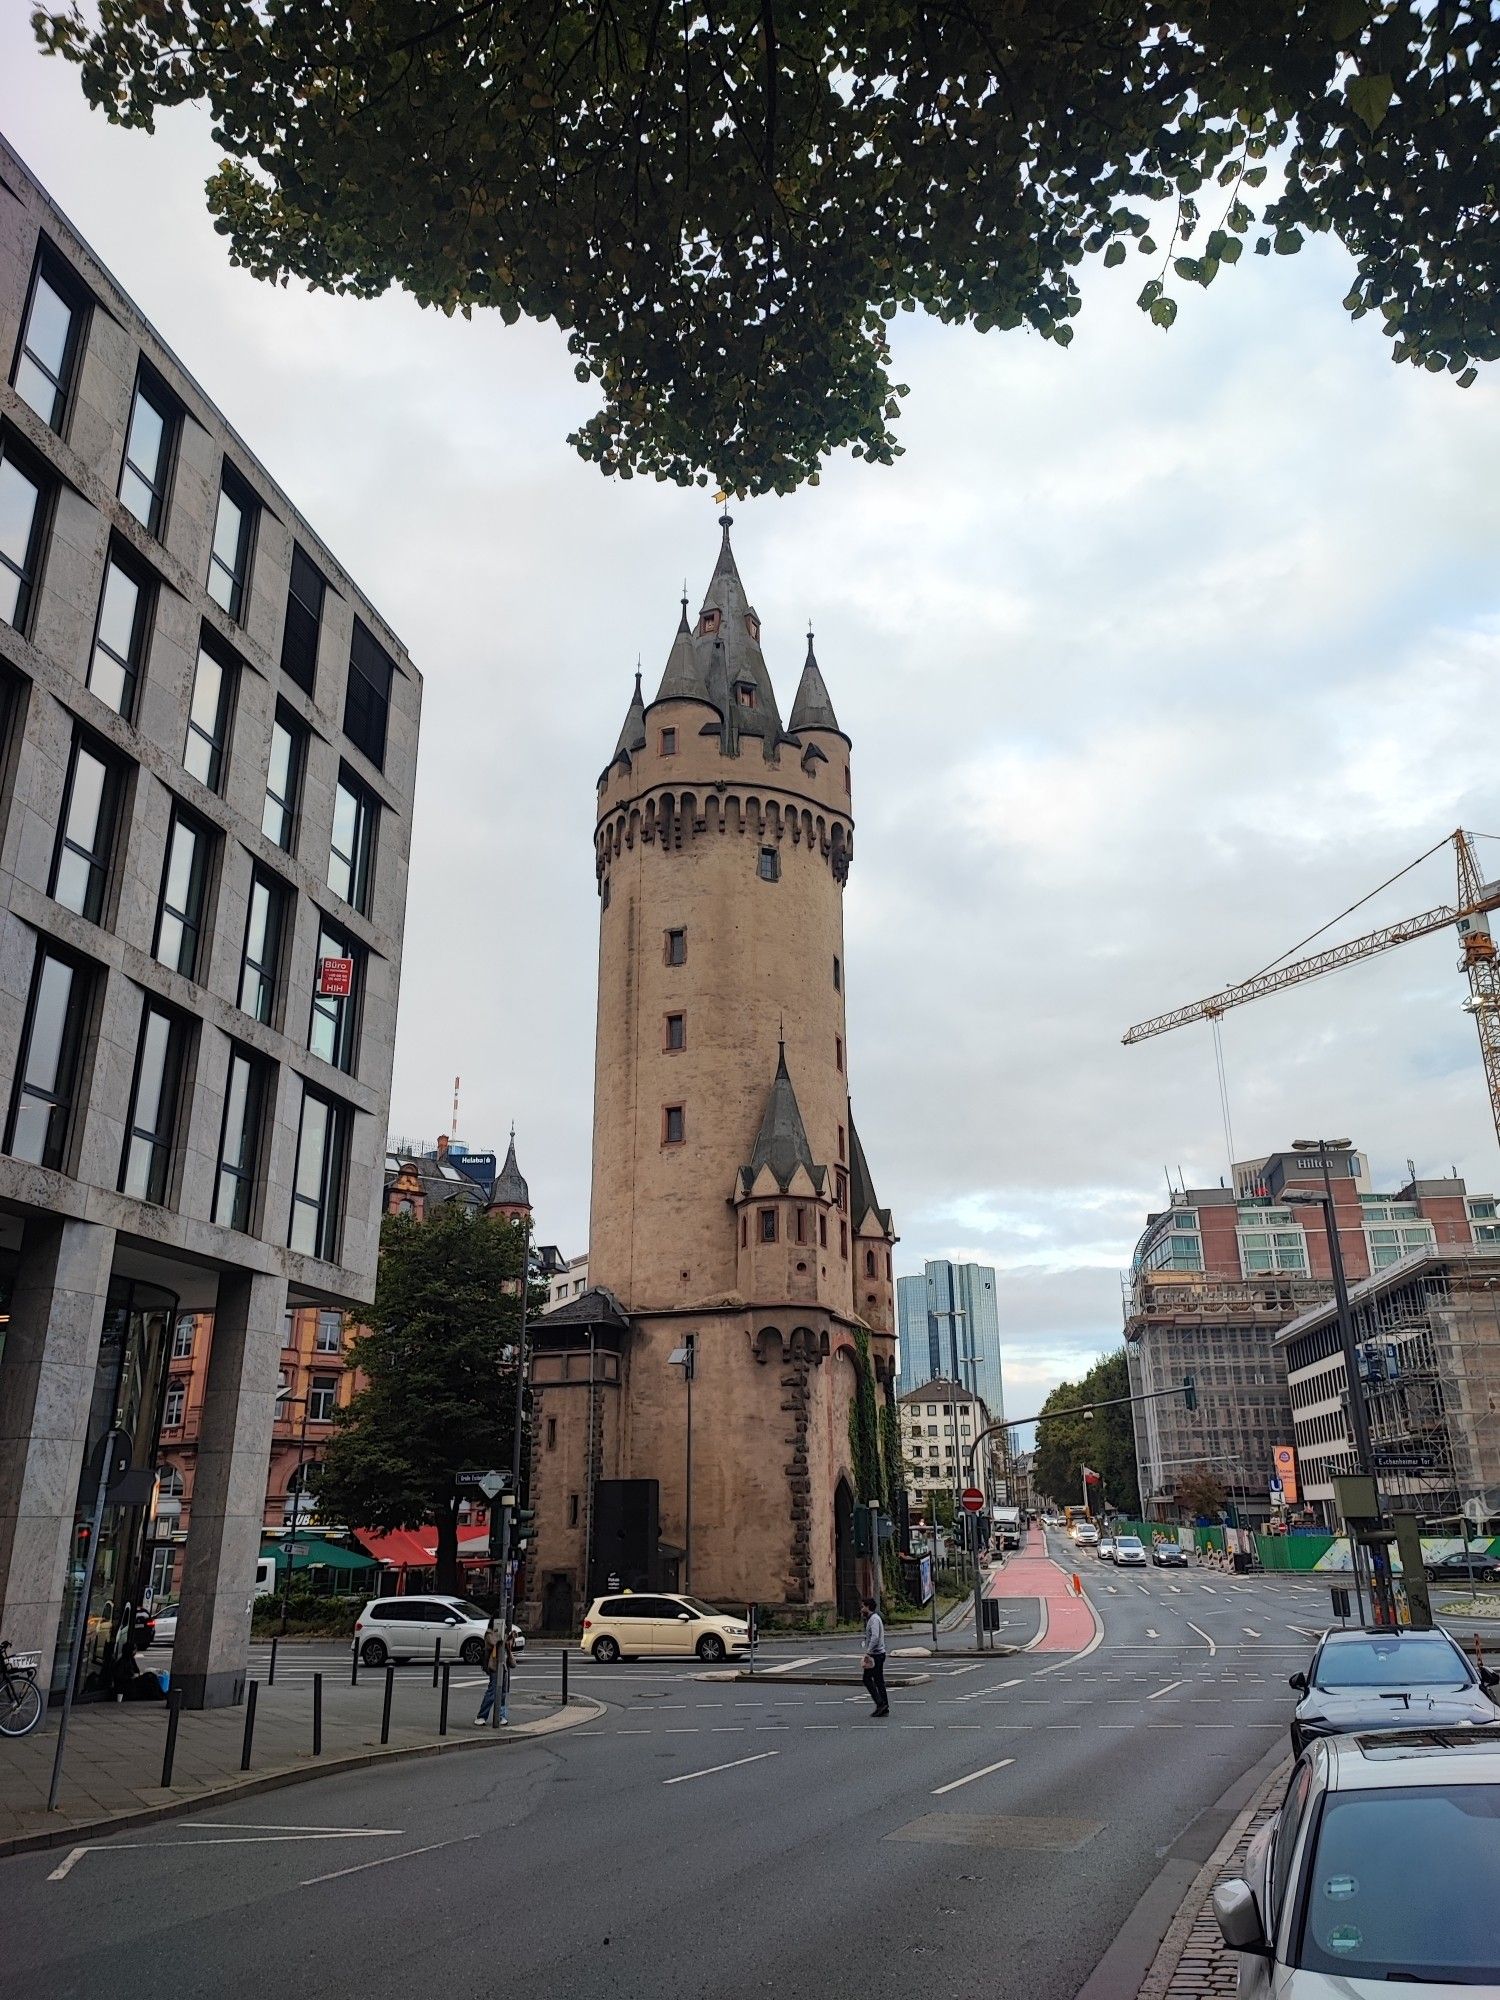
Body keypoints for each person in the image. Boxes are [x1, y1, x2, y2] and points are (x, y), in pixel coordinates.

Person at [476, 1617, 517, 1725]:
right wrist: (503, 1634)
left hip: (503, 1665)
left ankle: (501, 1715)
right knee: (492, 1691)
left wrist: (510, 1637)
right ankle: (481, 1716)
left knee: (503, 1692)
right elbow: (494, 1641)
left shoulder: (505, 1633)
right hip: (494, 1665)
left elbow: (509, 1645)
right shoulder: (489, 1633)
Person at [860, 1594, 888, 1717]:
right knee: (878, 1680)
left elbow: (875, 1637)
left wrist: (868, 1652)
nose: (861, 1609)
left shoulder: (874, 1619)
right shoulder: (872, 1619)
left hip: (876, 1655)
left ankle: (880, 1703)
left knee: (867, 1679)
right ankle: (884, 1705)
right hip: (878, 1654)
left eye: (863, 1607)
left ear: (868, 1607)